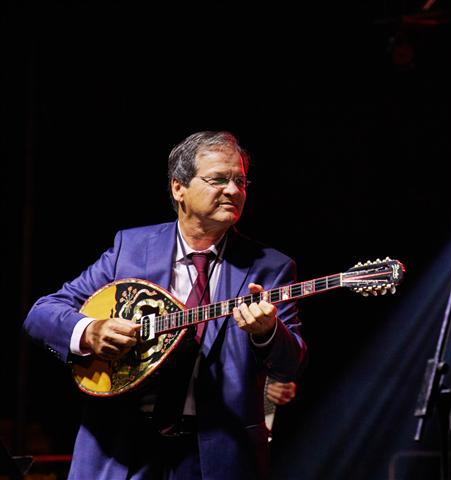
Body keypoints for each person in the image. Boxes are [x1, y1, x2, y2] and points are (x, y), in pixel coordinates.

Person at [23, 131, 306, 479]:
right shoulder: (130, 248)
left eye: (240, 181)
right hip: (120, 451)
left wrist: (267, 332)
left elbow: (290, 365)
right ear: (178, 188)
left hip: (216, 458)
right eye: (219, 179)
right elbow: (42, 313)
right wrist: (89, 331)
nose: (234, 190)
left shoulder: (270, 267)